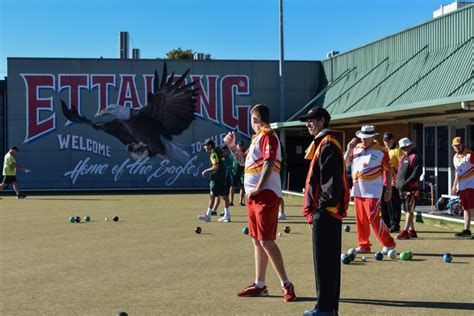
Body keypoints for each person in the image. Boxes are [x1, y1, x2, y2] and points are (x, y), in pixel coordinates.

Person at [224, 104, 296, 302]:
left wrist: (258, 188)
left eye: (251, 120)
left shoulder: (268, 136)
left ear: (255, 120)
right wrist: (232, 146)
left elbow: (269, 163)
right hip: (255, 197)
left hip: (265, 196)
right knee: (257, 240)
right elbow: (241, 161)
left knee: (266, 241)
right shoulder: (257, 139)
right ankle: (260, 284)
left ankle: (286, 284)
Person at [299, 107, 349, 316]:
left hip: (326, 213)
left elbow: (331, 184)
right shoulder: (324, 144)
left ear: (322, 121)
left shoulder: (327, 145)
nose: (308, 124)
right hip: (327, 212)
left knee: (324, 265)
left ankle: (324, 308)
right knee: (328, 265)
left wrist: (319, 211)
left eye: (311, 120)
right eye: (307, 121)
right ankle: (328, 308)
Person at [344, 125, 396, 254]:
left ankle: (389, 243)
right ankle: (364, 245)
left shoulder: (381, 151)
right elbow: (344, 164)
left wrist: (388, 190)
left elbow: (388, 171)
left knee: (373, 217)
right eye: (361, 137)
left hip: (373, 190)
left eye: (366, 138)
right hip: (357, 189)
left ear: (373, 137)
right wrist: (349, 149)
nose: (363, 140)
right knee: (360, 219)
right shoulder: (356, 149)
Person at [395, 137, 423, 240]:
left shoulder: (416, 157)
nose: (405, 149)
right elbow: (400, 172)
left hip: (411, 188)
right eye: (403, 148)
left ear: (410, 145)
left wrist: (406, 183)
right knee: (406, 209)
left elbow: (417, 173)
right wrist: (397, 182)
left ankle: (405, 231)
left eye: (406, 147)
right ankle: (412, 231)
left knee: (409, 210)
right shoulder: (402, 157)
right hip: (402, 188)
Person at [197, 139, 231, 223]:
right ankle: (227, 216)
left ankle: (208, 216)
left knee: (212, 197)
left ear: (209, 146)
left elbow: (216, 167)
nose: (204, 147)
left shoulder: (213, 153)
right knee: (224, 197)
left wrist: (206, 170)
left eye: (205, 145)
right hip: (222, 177)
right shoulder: (218, 150)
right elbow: (224, 154)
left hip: (216, 178)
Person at [451, 137, 474, 238]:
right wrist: (454, 185)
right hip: (462, 186)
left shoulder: (470, 155)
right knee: (465, 208)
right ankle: (467, 229)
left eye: (459, 144)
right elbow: (457, 173)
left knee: (473, 208)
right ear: (453, 147)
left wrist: (466, 176)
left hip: (471, 185)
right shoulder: (455, 157)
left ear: (462, 144)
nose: (457, 147)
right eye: (455, 145)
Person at [381, 132, 403, 233]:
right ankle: (386, 223)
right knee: (384, 204)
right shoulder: (384, 151)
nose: (387, 142)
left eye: (389, 140)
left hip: (394, 183)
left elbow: (402, 167)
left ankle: (395, 224)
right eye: (385, 140)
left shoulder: (398, 151)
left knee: (394, 205)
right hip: (383, 182)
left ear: (393, 139)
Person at [229, 141, 245, 207]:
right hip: (234, 171)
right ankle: (231, 201)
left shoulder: (245, 152)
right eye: (239, 145)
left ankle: (240, 202)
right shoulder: (233, 153)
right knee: (233, 186)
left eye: (241, 145)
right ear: (237, 146)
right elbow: (230, 161)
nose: (240, 147)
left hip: (242, 171)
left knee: (242, 186)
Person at [278, 142, 288, 221]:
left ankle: (282, 213)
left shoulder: (281, 154)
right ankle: (279, 212)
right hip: (276, 176)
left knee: (278, 194)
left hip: (278, 177)